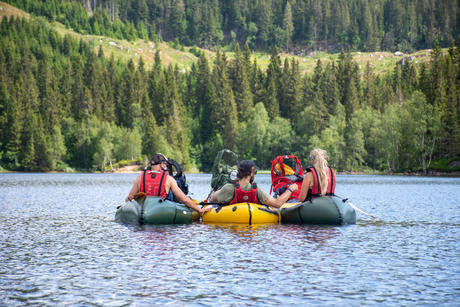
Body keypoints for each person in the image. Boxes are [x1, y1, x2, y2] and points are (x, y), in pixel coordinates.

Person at [125, 153, 211, 215]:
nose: (166, 166)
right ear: (162, 164)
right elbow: (184, 199)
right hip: (161, 210)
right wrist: (199, 210)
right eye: (165, 164)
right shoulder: (169, 179)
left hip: (143, 209)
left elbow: (129, 199)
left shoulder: (140, 178)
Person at [211, 160, 298, 208]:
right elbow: (277, 204)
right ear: (251, 173)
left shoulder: (228, 188)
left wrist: (220, 192)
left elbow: (213, 198)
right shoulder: (256, 190)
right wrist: (291, 189)